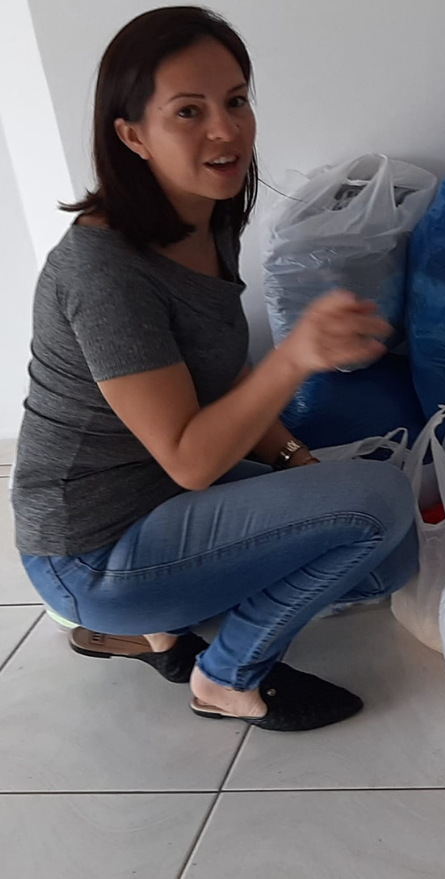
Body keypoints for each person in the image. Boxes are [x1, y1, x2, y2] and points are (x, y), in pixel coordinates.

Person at [12, 6, 418, 732]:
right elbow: (192, 458)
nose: (225, 131)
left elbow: (222, 375)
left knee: (390, 554)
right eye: (189, 112)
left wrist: (295, 459)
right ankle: (224, 675)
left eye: (235, 101)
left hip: (161, 499)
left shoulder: (208, 212)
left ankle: (160, 625)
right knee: (376, 503)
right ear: (132, 135)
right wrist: (296, 357)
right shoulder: (102, 271)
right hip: (91, 549)